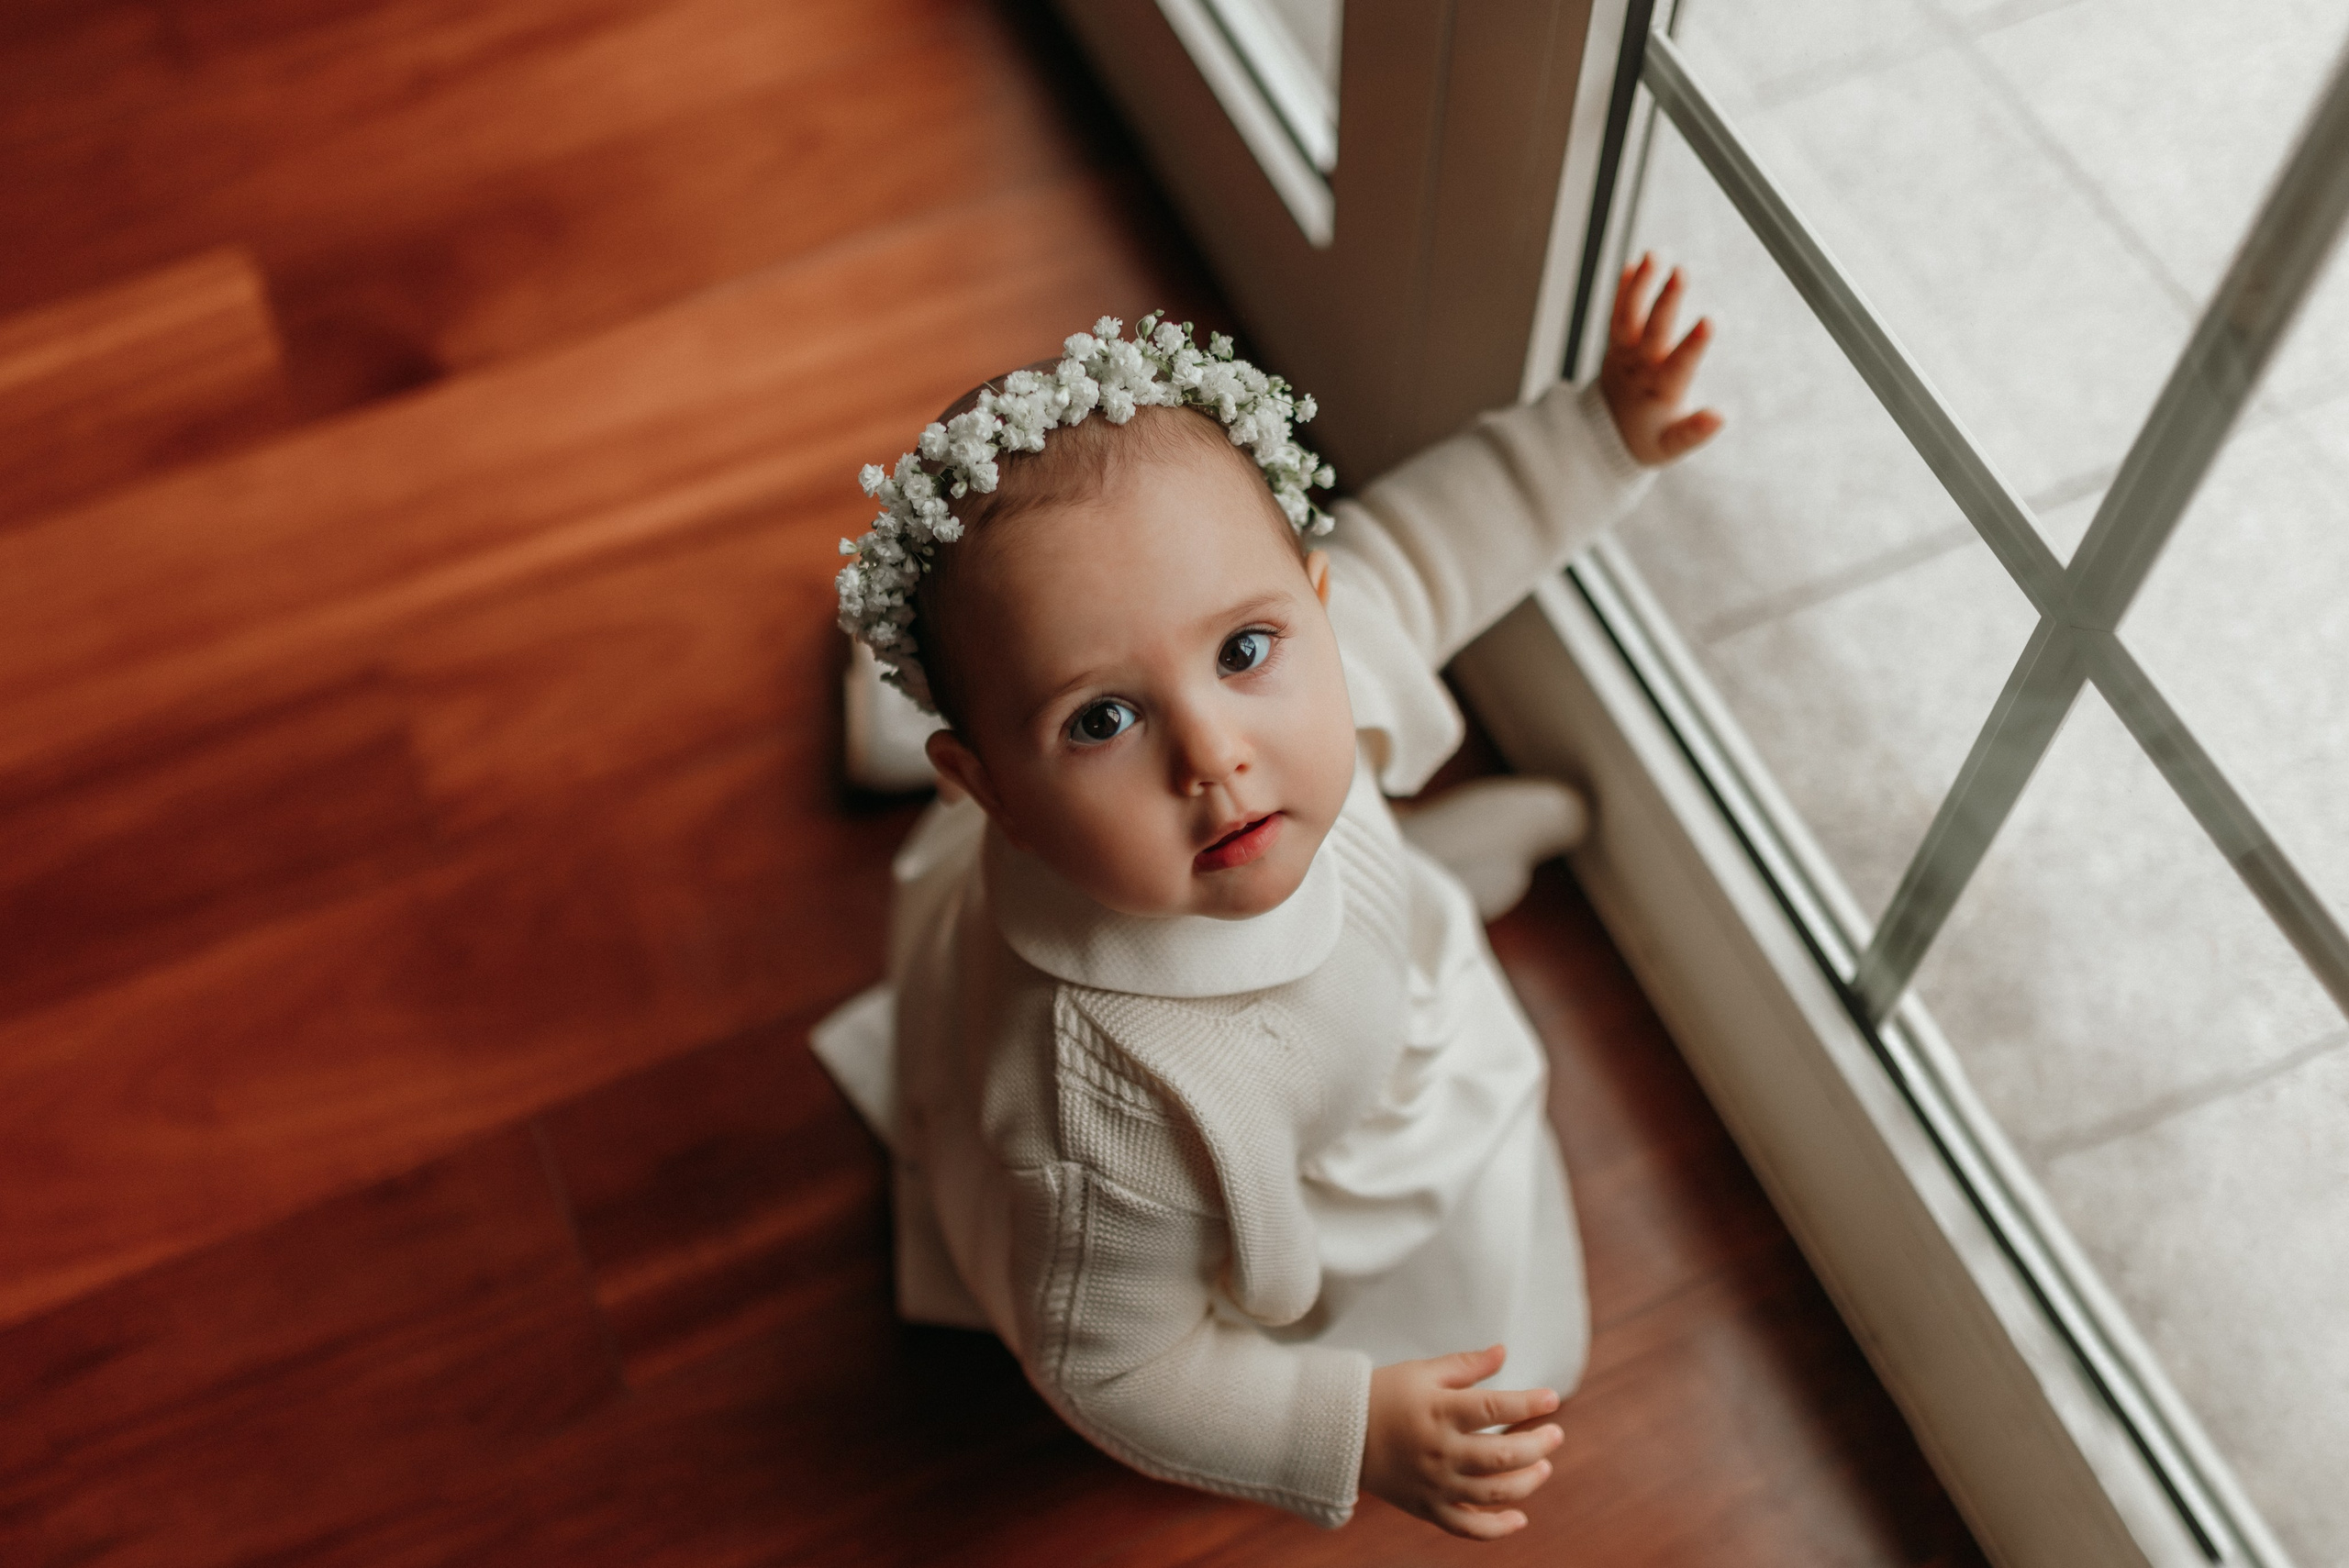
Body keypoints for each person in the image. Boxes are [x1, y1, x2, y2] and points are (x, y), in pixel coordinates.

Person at [815, 255, 1719, 1538]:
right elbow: (1116, 1362)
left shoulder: (1300, 663)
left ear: (1311, 604)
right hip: (1278, 1159)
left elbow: (1429, 548)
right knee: (1491, 1309)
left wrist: (1600, 431)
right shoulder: (1104, 1104)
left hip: (1369, 990)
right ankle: (1432, 866)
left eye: (1245, 650)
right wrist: (1352, 1426)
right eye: (1104, 718)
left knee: (1366, 887)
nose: (1212, 754)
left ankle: (1434, 862)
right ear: (985, 791)